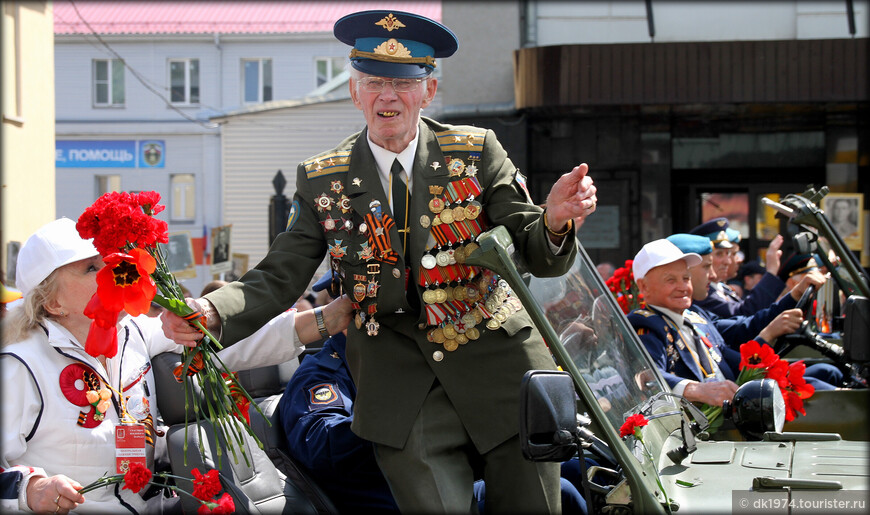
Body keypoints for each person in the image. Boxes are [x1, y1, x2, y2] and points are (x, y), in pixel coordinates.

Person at [162, 10, 598, 513]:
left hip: (501, 368)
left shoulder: (476, 152)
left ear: (428, 91)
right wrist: (213, 311)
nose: (387, 97)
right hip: (400, 385)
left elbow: (534, 251)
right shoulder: (322, 178)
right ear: (355, 93)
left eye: (401, 83)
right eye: (372, 82)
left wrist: (556, 219)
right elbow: (281, 272)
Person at [0, 218, 352, 514]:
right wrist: (30, 489)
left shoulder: (133, 331)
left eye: (108, 261)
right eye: (91, 268)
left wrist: (326, 319)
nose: (111, 270)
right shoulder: (20, 365)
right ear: (52, 302)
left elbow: (229, 341)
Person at [279, 273, 589, 514]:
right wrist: (393, 417)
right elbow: (323, 447)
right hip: (389, 498)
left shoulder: (399, 360)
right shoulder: (323, 373)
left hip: (445, 477)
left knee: (568, 479)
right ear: (355, 312)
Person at [691, 218, 785, 318]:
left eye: (728, 253)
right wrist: (771, 272)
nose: (728, 261)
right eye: (719, 254)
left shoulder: (723, 289)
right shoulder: (701, 292)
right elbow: (744, 315)